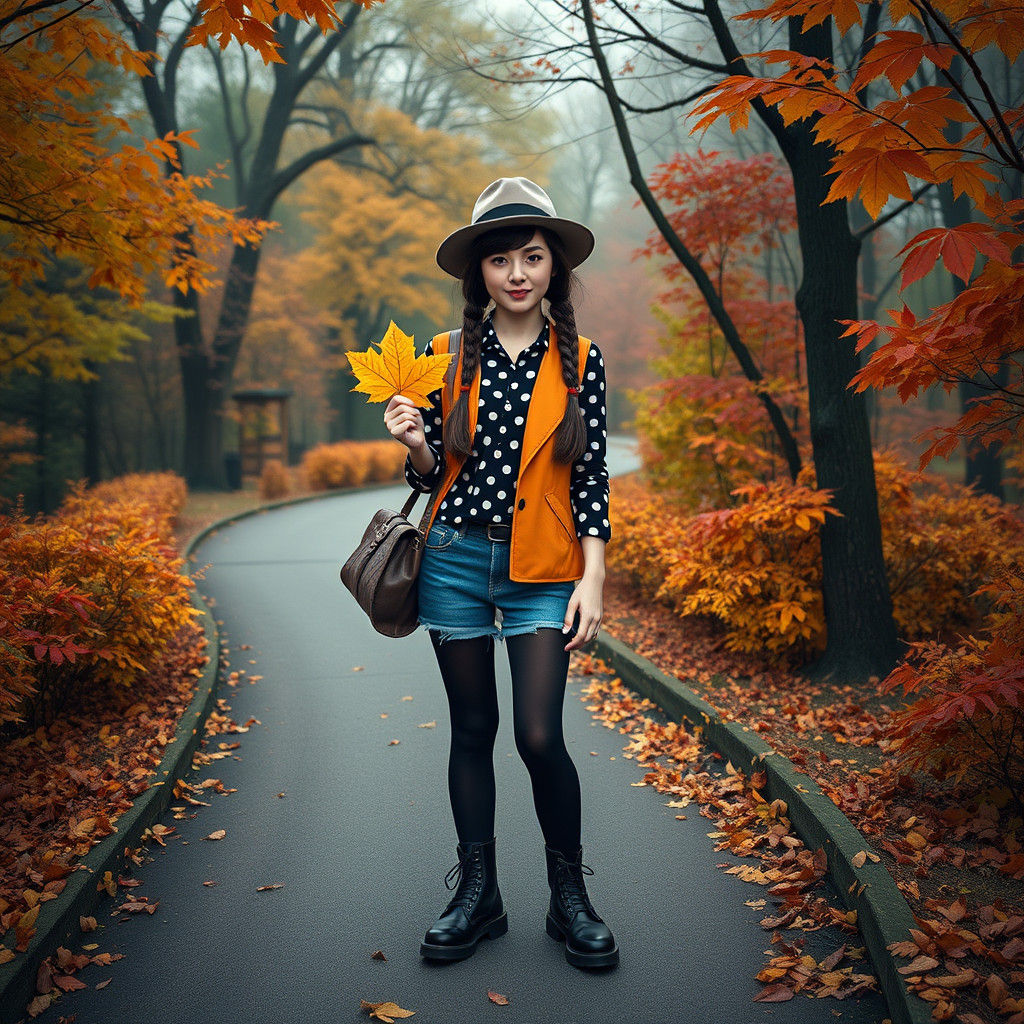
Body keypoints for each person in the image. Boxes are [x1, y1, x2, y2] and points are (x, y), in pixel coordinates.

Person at [383, 177, 618, 970]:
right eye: (500, 260)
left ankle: (569, 899)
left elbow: (591, 480)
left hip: (544, 571)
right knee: (473, 730)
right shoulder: (446, 358)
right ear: (477, 273)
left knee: (539, 734)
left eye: (532, 256)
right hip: (452, 558)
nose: (516, 273)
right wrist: (414, 440)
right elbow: (431, 476)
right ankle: (478, 894)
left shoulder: (580, 358)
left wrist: (594, 578)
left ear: (554, 267)